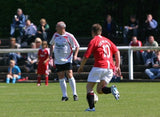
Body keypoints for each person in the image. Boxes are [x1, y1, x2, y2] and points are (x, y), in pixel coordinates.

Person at [78, 24, 121, 111]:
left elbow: (86, 56)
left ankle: (91, 108)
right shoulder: (107, 40)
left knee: (89, 87)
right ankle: (112, 89)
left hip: (100, 66)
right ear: (100, 32)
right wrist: (118, 66)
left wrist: (81, 66)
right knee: (99, 90)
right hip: (110, 68)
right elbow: (117, 52)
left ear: (92, 32)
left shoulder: (94, 41)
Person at [50, 21, 79, 101]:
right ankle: (64, 96)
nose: (56, 28)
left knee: (69, 74)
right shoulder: (55, 35)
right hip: (58, 59)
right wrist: (50, 55)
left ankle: (75, 94)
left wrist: (75, 55)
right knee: (61, 75)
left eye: (57, 26)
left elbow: (77, 46)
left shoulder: (69, 36)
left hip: (67, 58)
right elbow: (51, 44)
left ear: (62, 28)